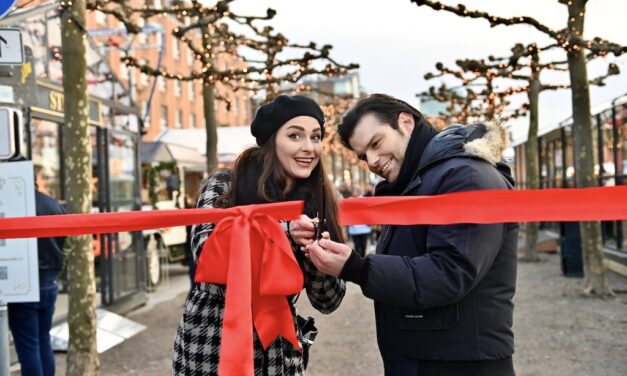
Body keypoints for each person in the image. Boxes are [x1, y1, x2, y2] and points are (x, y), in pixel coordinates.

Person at [306, 94, 519, 376]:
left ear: (406, 122)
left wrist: (356, 267)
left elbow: (450, 273)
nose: (371, 161)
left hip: (459, 364)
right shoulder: (418, 183)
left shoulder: (465, 176)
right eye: (362, 156)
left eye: (376, 143)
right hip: (432, 357)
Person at [172, 95, 346, 376]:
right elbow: (206, 254)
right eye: (295, 135)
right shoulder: (225, 185)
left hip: (279, 352)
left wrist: (313, 250)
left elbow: (329, 300)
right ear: (271, 141)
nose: (308, 147)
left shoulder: (318, 200)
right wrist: (283, 231)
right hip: (213, 341)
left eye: (315, 137)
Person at [8, 189, 66, 376]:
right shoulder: (53, 204)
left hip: (24, 285)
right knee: (43, 341)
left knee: (28, 349)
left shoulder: (16, 206)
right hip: (50, 282)